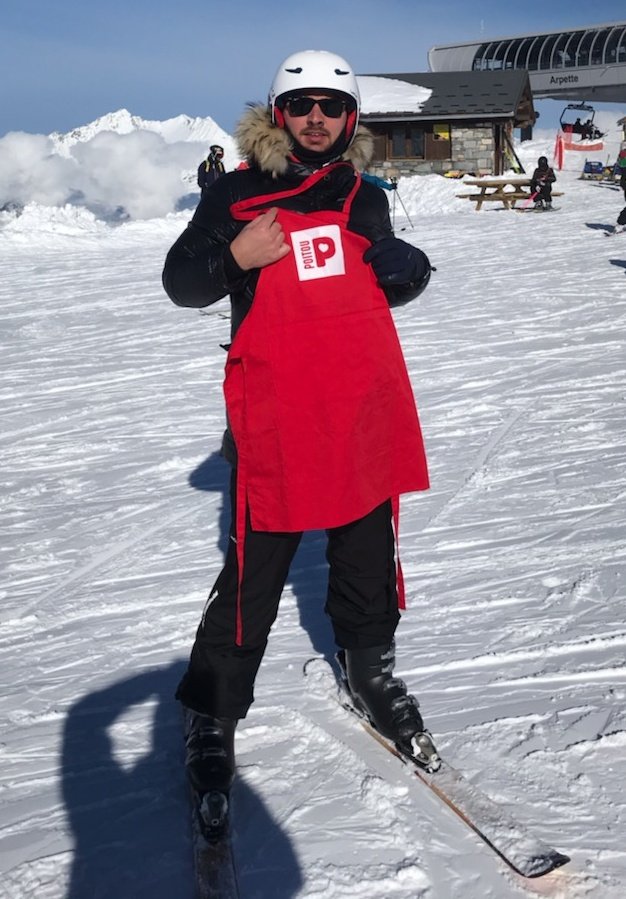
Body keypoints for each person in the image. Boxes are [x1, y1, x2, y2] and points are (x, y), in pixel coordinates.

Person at [162, 49, 435, 832]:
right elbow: (183, 284)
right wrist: (233, 256)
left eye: (332, 106)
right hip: (276, 412)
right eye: (303, 104)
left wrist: (408, 267)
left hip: (354, 405)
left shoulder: (362, 195)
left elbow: (391, 287)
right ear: (278, 114)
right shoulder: (237, 194)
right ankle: (212, 709)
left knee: (363, 549)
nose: (318, 117)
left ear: (350, 119)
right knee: (256, 566)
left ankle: (370, 667)